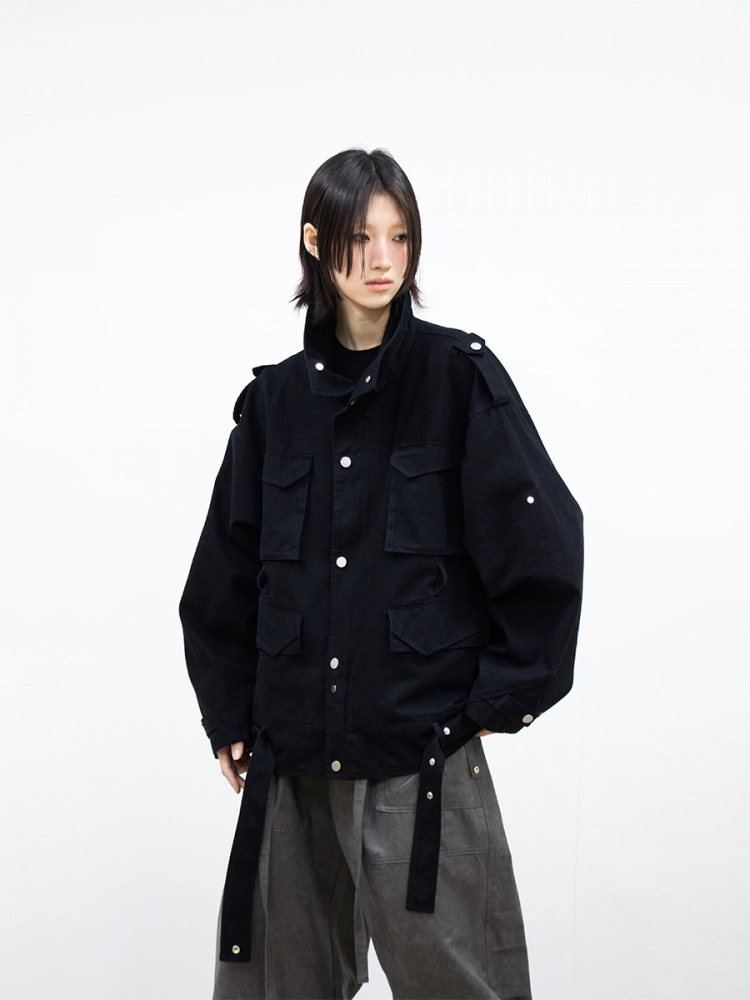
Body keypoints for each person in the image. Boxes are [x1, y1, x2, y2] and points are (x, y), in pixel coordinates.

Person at [178, 147, 585, 1000]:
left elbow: (542, 539)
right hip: (291, 767)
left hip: (420, 761)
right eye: (361, 237)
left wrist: (495, 700)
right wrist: (228, 712)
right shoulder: (274, 405)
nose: (383, 259)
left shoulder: (458, 378)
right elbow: (221, 573)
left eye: (400, 237)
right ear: (314, 241)